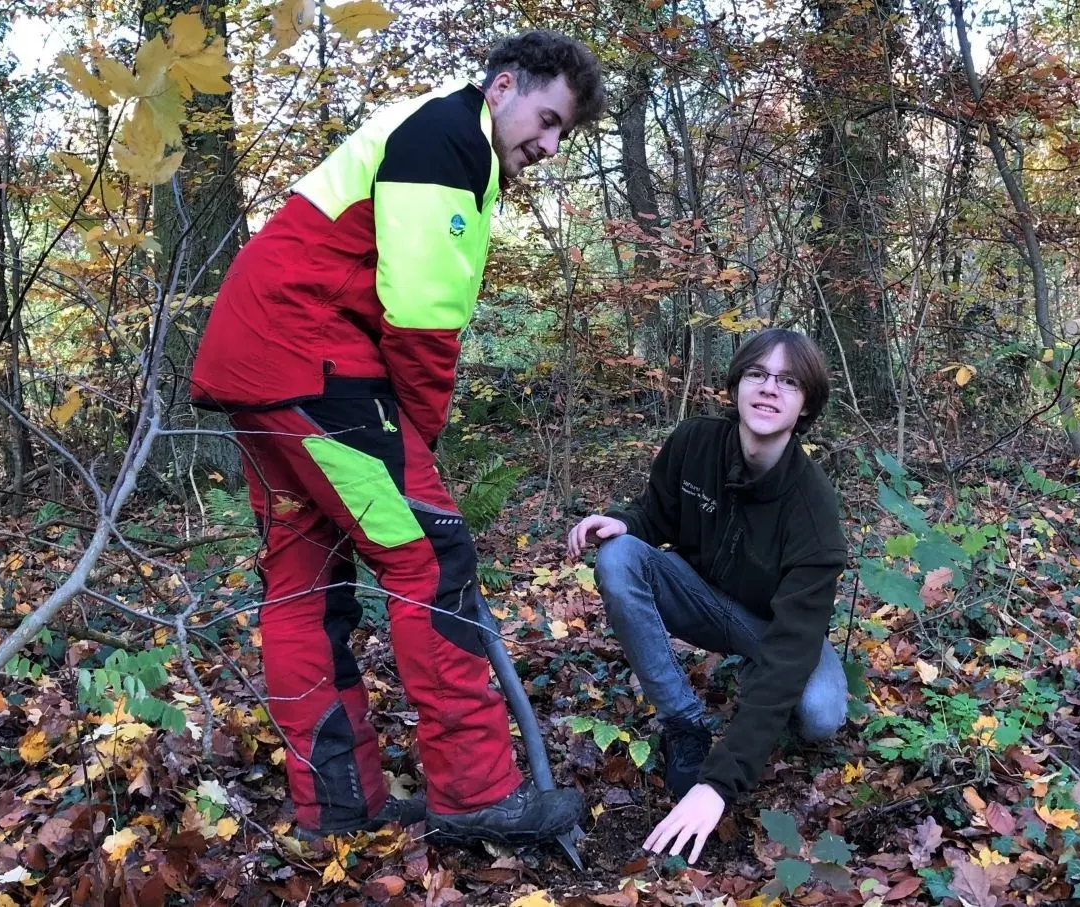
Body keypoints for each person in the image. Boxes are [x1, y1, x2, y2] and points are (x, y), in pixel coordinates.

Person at [190, 31, 605, 845]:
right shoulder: (447, 137)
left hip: (261, 364)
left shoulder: (430, 130)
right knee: (431, 556)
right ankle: (475, 793)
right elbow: (420, 317)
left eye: (564, 133)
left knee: (304, 582)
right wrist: (419, 432)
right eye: (549, 119)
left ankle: (340, 808)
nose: (551, 146)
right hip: (310, 363)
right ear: (503, 87)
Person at [566, 328, 849, 864]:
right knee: (619, 556)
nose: (769, 389)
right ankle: (684, 722)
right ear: (736, 384)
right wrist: (626, 522)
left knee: (819, 713)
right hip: (697, 598)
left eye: (788, 381)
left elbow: (792, 648)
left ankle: (753, 686)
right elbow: (656, 515)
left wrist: (718, 784)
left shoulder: (813, 511)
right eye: (757, 374)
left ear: (807, 404)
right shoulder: (695, 442)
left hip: (769, 630)